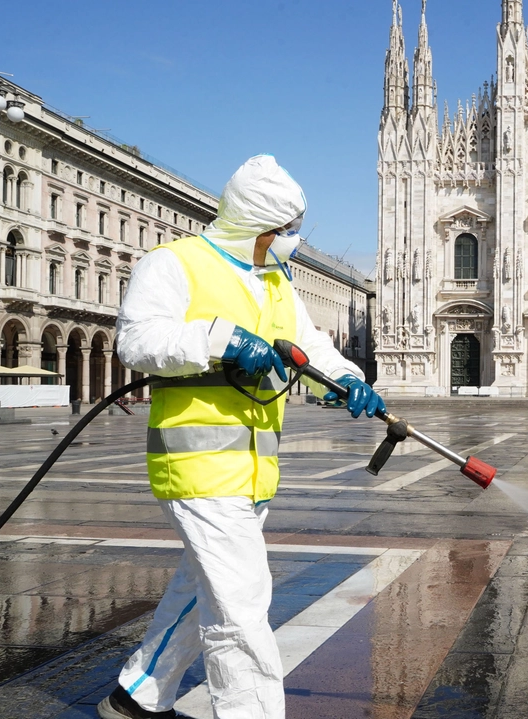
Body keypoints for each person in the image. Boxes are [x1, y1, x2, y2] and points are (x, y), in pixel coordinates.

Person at [98, 155, 385, 719]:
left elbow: (310, 348)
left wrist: (349, 380)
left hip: (252, 470)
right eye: (286, 231)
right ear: (255, 226)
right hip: (197, 465)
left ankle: (136, 695)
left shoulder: (274, 281)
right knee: (241, 606)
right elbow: (135, 340)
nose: (293, 242)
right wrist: (218, 338)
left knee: (202, 585)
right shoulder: (175, 263)